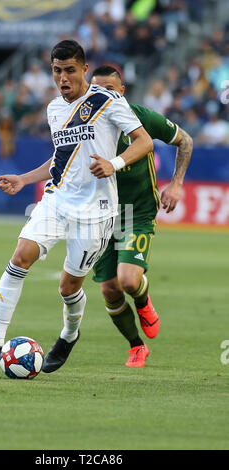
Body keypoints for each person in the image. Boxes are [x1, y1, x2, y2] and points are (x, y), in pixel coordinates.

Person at [0, 40, 153, 373]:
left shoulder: (107, 101)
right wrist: (25, 179)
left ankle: (69, 335)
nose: (63, 77)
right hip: (57, 200)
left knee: (69, 287)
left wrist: (115, 163)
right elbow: (61, 158)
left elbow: (144, 141)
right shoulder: (54, 109)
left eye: (70, 70)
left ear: (84, 69)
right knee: (20, 256)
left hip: (97, 211)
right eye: (57, 71)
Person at [91, 65, 193, 367]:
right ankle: (136, 346)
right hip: (99, 215)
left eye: (110, 89)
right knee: (109, 289)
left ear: (121, 91)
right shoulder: (83, 124)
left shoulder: (141, 118)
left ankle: (143, 301)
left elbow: (185, 140)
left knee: (128, 280)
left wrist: (176, 184)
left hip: (137, 211)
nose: (103, 96)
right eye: (96, 90)